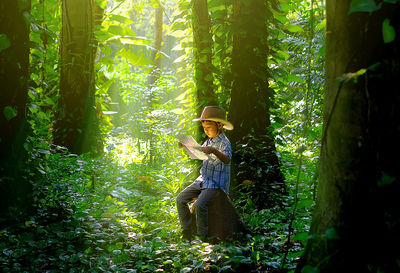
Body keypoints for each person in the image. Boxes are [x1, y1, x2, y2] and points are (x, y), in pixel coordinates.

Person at [176, 106, 233, 241]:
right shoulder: (208, 141)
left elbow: (227, 159)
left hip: (215, 184)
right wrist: (186, 145)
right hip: (203, 180)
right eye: (204, 128)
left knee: (201, 204)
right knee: (180, 199)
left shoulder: (225, 142)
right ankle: (187, 230)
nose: (206, 130)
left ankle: (202, 236)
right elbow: (199, 152)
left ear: (219, 126)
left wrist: (213, 150)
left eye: (209, 127)